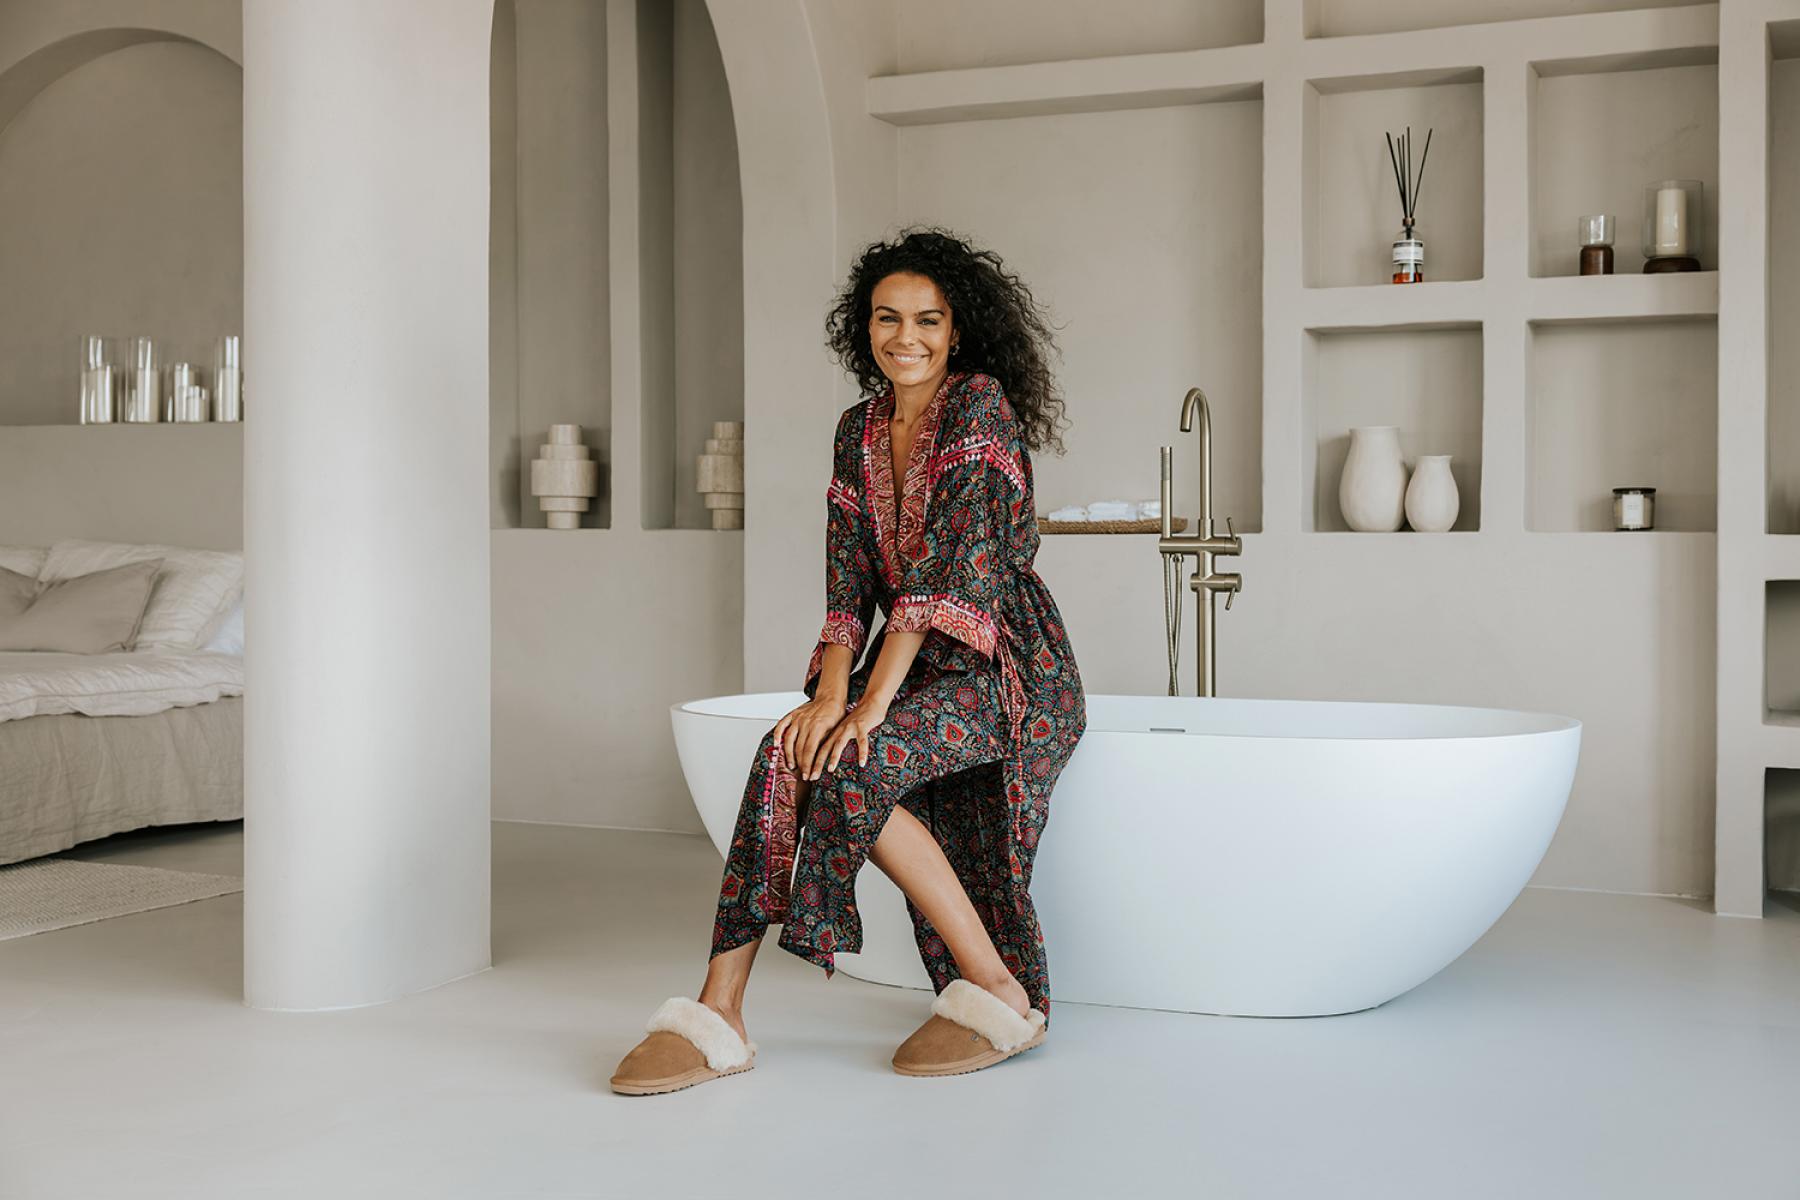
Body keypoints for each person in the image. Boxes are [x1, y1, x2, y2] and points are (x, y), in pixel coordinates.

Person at [611, 227, 1087, 1095]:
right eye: (887, 317)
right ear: (863, 326)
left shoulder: (979, 407)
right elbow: (848, 586)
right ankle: (720, 1010)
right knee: (788, 753)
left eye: (928, 320)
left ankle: (996, 988)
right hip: (909, 663)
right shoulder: (856, 429)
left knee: (857, 762)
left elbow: (939, 580)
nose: (906, 337)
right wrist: (830, 696)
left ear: (958, 330)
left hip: (1004, 664)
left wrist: (868, 708)